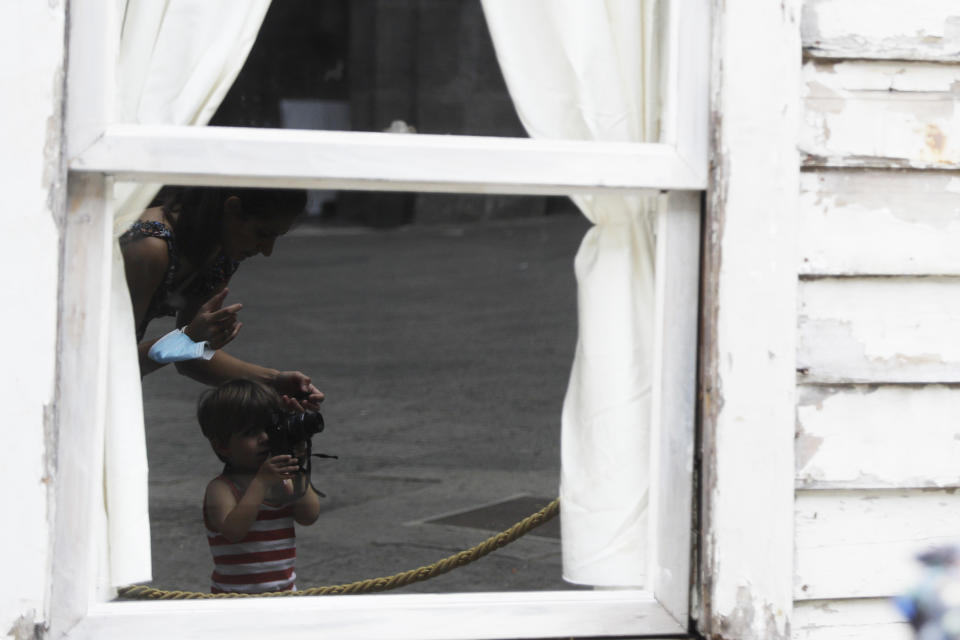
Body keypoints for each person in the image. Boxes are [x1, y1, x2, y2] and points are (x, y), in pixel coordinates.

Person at [120, 186, 323, 408]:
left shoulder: (219, 254)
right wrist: (185, 340)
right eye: (262, 234)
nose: (267, 250)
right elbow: (113, 363)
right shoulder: (149, 248)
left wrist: (273, 383)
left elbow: (192, 358)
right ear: (233, 208)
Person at [198, 378, 322, 594]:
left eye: (269, 429)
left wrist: (296, 466)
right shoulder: (222, 488)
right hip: (233, 600)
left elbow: (309, 516)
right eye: (250, 433)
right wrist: (261, 483)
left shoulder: (283, 481)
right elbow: (234, 532)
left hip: (285, 594)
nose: (265, 438)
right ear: (222, 445)